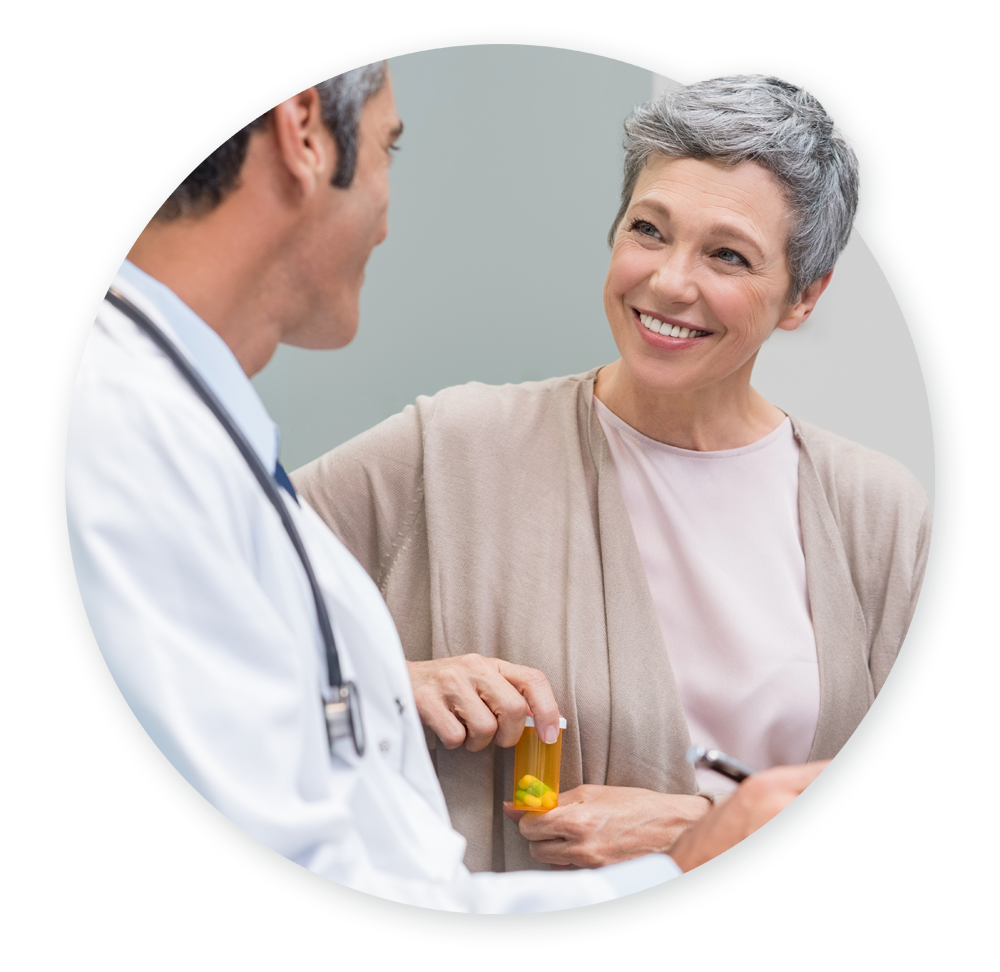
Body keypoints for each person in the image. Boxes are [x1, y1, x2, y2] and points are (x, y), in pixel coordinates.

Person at [65, 60, 828, 914]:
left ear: (805, 294)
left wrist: (383, 679)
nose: (390, 215)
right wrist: (688, 868)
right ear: (305, 132)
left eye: (727, 254)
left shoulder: (178, 422)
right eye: (391, 147)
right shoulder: (117, 431)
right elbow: (253, 891)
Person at [291, 71, 932, 873]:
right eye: (649, 230)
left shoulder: (880, 514)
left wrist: (695, 828)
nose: (668, 282)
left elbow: (932, 814)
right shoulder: (451, 448)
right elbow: (200, 597)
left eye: (728, 255)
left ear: (803, 295)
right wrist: (387, 674)